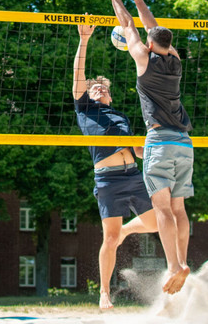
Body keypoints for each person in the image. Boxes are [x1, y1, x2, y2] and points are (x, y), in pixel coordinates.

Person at [98, 0, 194, 295]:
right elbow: (150, 28)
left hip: (160, 141)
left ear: (150, 45)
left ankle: (174, 265)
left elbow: (128, 27)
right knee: (179, 210)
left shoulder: (144, 59)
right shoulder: (176, 60)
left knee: (163, 210)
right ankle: (182, 260)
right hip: (185, 144)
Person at [73, 23, 158, 309]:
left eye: (102, 87)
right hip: (108, 180)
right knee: (109, 239)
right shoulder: (85, 110)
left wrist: (152, 148)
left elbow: (138, 151)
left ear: (109, 96)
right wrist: (84, 39)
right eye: (93, 87)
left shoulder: (120, 116)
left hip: (132, 175)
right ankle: (104, 293)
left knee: (156, 223)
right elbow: (79, 75)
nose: (96, 88)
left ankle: (126, 231)